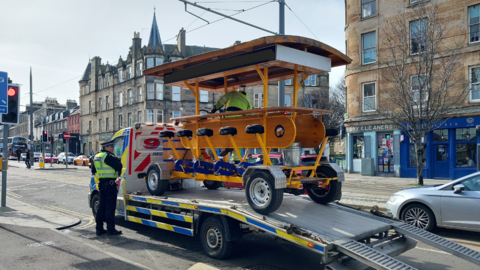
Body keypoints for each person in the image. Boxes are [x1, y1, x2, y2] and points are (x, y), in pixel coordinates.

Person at [91, 140, 123, 236]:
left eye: (112, 146)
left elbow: (93, 170)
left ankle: (99, 229)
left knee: (101, 207)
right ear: (106, 147)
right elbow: (119, 166)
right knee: (110, 207)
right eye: (111, 146)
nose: (112, 148)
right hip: (110, 184)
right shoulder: (108, 157)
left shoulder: (97, 156)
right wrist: (117, 159)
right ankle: (111, 229)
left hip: (102, 184)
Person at [213, 89, 253, 156]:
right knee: (237, 136)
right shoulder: (248, 100)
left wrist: (214, 108)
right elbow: (249, 114)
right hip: (239, 120)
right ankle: (235, 157)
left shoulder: (233, 93)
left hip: (228, 118)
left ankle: (228, 146)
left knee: (226, 131)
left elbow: (222, 100)